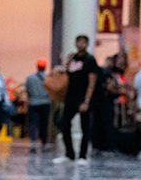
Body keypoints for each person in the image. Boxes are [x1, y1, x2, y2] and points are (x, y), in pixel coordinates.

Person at [54, 35, 96, 163]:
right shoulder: (72, 58)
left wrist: (87, 100)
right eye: (78, 42)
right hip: (70, 97)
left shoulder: (90, 60)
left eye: (83, 42)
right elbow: (66, 74)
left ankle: (83, 155)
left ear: (87, 44)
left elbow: (92, 81)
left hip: (83, 97)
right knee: (64, 124)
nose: (80, 44)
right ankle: (69, 154)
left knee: (85, 127)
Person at [23, 60, 52, 150]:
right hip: (46, 103)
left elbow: (27, 90)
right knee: (44, 123)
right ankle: (44, 142)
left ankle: (33, 141)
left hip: (33, 103)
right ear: (45, 67)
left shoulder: (30, 78)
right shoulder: (48, 78)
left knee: (33, 123)